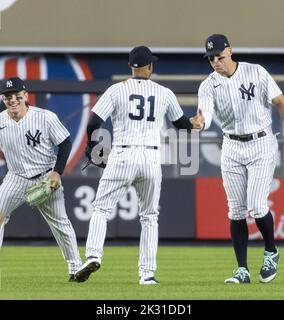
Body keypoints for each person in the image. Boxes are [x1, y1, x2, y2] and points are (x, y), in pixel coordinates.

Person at [190, 34, 284, 284]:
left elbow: (280, 102)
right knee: (235, 211)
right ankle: (242, 270)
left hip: (261, 142)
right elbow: (205, 114)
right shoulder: (208, 85)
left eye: (219, 56)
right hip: (231, 146)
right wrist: (200, 123)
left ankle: (271, 251)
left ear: (230, 51)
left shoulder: (256, 72)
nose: (215, 62)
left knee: (256, 206)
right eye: (211, 58)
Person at [74, 46, 194, 285]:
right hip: (151, 158)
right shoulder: (164, 92)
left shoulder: (117, 90)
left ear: (131, 67)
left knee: (101, 209)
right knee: (149, 216)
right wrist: (195, 122)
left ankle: (93, 255)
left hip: (122, 154)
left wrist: (92, 146)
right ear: (150, 67)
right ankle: (147, 274)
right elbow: (184, 128)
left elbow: (94, 122)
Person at [0, 77, 82, 286]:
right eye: (7, 96)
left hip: (45, 177)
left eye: (16, 95)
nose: (12, 99)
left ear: (26, 95)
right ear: (3, 99)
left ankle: (75, 266)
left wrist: (57, 173)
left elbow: (65, 143)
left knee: (60, 224)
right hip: (16, 178)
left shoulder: (45, 117)